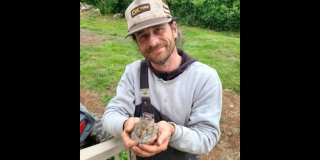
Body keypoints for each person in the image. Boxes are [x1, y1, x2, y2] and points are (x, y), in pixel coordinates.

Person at [102, 0, 222, 159]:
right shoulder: (133, 73)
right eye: (143, 36)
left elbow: (207, 137)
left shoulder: (205, 78)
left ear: (174, 29)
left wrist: (173, 131)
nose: (153, 42)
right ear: (137, 43)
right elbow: (111, 114)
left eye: (158, 29)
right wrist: (125, 125)